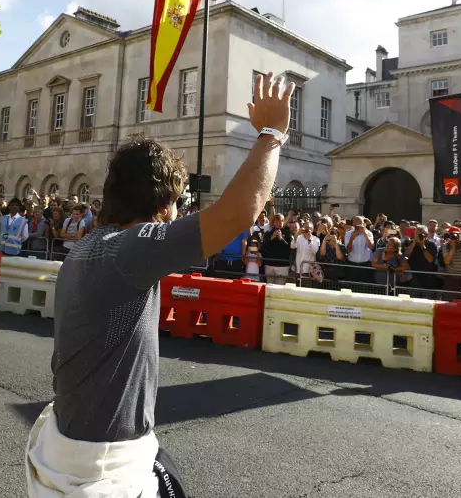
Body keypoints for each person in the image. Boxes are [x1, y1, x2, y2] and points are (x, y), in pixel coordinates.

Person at [28, 72, 294, 497]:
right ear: (162, 204)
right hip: (103, 463)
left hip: (81, 444)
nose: (177, 215)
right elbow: (237, 213)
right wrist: (272, 133)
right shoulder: (127, 250)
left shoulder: (88, 247)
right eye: (177, 204)